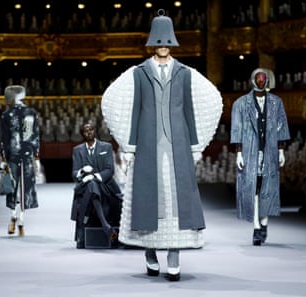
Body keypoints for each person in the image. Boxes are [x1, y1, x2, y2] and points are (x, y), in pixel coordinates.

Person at [101, 10, 223, 281]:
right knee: (148, 197)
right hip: (147, 144)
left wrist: (194, 145)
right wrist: (130, 145)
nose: (164, 45)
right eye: (159, 41)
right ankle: (150, 252)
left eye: (167, 41)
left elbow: (190, 111)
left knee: (176, 199)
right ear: (153, 43)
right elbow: (133, 110)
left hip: (177, 144)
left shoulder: (184, 74)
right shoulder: (140, 73)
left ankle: (174, 255)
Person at [230, 68, 290, 246]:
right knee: (254, 188)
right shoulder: (241, 104)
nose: (262, 81)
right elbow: (237, 129)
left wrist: (280, 150)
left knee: (267, 189)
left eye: (264, 78)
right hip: (250, 151)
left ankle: (264, 224)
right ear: (253, 80)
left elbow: (281, 126)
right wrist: (239, 153)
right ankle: (257, 227)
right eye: (259, 78)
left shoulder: (276, 103)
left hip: (269, 150)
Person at [71, 123, 122, 249]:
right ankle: (106, 227)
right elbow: (74, 172)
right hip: (85, 186)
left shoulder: (106, 147)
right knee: (91, 186)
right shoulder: (77, 150)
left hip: (104, 185)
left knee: (92, 184)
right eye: (85, 131)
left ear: (95, 131)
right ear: (82, 134)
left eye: (91, 129)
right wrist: (82, 171)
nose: (89, 132)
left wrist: (93, 177)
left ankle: (82, 233)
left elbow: (110, 170)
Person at [0, 85, 41, 236]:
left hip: (14, 156)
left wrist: (3, 158)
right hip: (26, 155)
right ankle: (18, 220)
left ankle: (16, 219)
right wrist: (36, 157)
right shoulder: (30, 113)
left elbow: (4, 140)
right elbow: (35, 137)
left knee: (15, 188)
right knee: (24, 188)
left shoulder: (7, 115)